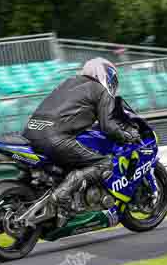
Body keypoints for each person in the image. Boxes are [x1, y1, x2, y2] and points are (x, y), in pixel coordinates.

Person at [23, 57, 141, 226]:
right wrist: (128, 136)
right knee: (104, 163)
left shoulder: (68, 83)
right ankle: (62, 195)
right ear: (106, 75)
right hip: (55, 138)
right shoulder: (100, 90)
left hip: (31, 134)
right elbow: (108, 127)